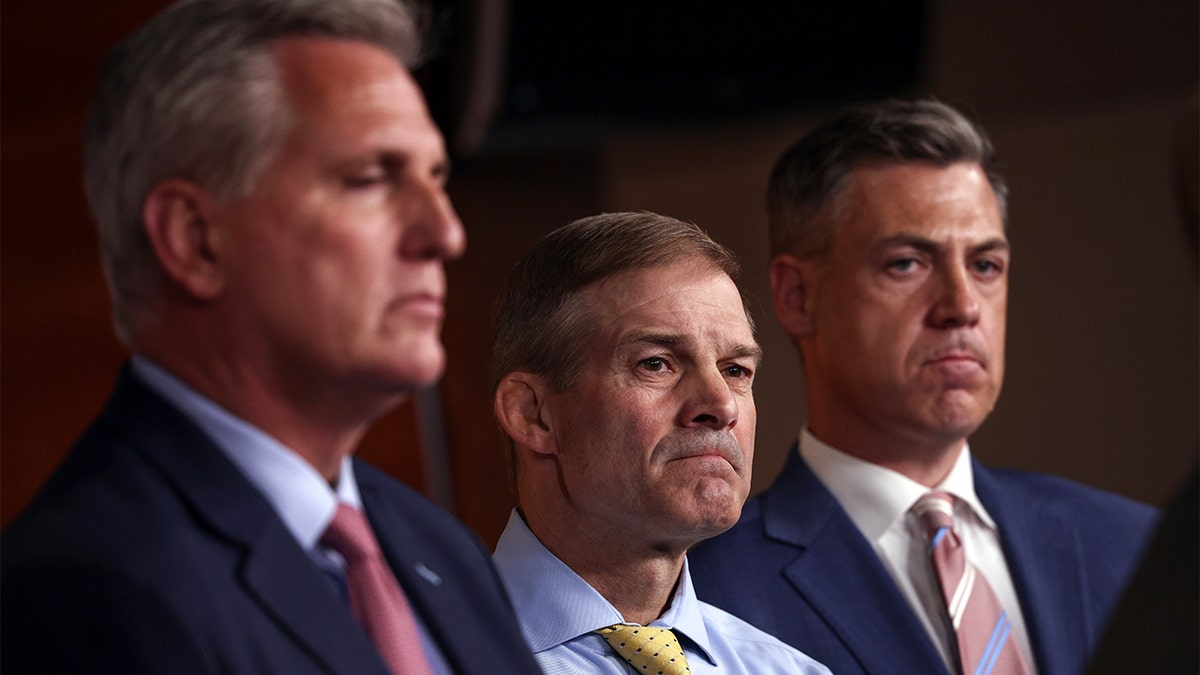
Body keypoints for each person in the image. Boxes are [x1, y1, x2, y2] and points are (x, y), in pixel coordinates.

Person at [1, 1, 540, 673]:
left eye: (435, 178)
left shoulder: (442, 546)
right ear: (197, 240)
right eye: (371, 178)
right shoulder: (87, 589)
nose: (445, 233)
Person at [688, 99, 1159, 675]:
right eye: (907, 263)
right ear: (797, 296)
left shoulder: (1140, 547)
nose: (962, 306)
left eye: (985, 265)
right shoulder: (701, 595)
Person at [487, 211, 831, 674]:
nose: (721, 405)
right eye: (656, 364)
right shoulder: (417, 657)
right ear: (533, 414)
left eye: (735, 370)